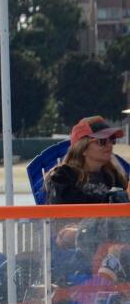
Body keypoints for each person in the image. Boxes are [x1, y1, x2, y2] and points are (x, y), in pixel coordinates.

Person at [45, 117, 130, 283]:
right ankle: (112, 260)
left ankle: (113, 259)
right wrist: (118, 198)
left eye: (112, 140)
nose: (110, 145)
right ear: (82, 148)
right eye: (102, 141)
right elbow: (70, 212)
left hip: (116, 236)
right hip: (77, 239)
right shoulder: (62, 177)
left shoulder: (114, 177)